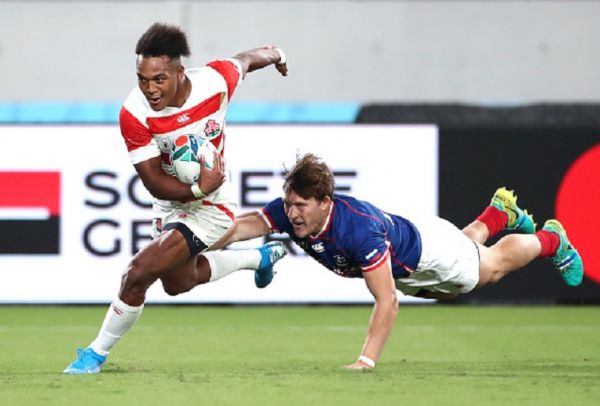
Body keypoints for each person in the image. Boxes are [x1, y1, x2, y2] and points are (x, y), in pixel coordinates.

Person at [212, 153, 584, 370]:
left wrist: (366, 361)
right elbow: (246, 225)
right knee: (466, 262)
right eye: (288, 204)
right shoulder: (294, 210)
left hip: (430, 253)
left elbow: (388, 301)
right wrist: (203, 238)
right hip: (415, 249)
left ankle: (551, 240)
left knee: (491, 269)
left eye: (300, 206)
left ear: (324, 202)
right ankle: (497, 214)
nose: (291, 213)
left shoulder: (357, 233)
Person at [64, 22, 288, 374]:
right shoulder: (134, 113)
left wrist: (278, 55)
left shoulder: (214, 82)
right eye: (142, 78)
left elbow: (246, 60)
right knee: (177, 282)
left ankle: (94, 354)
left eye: (159, 79)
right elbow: (154, 182)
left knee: (138, 273)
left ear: (180, 73)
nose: (150, 89)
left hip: (213, 206)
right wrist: (199, 187)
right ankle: (257, 259)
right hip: (175, 201)